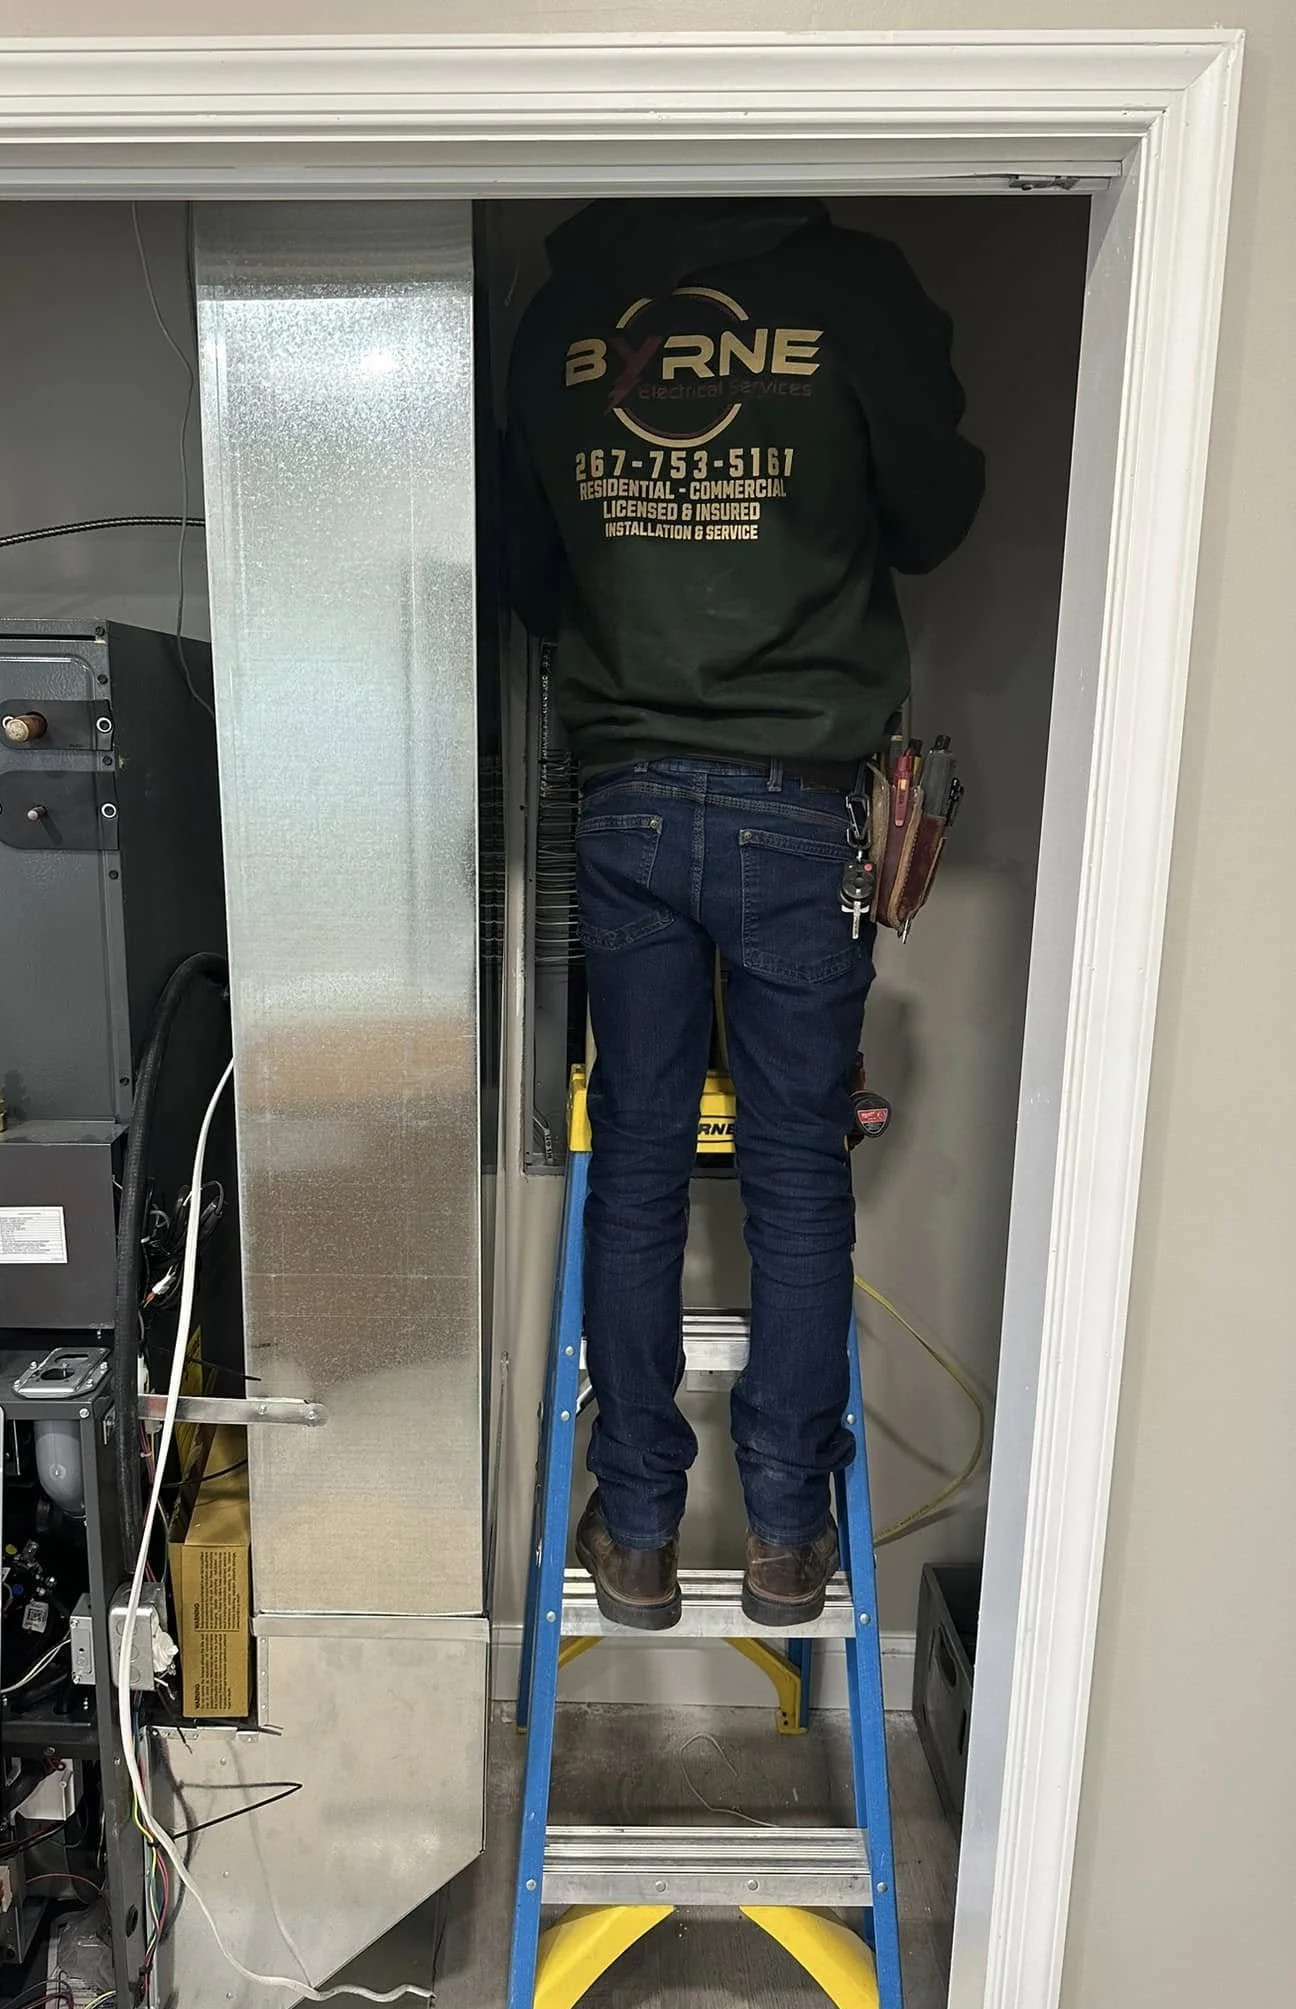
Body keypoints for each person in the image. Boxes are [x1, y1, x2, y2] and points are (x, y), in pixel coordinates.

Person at [504, 198, 984, 1630]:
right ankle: (787, 1534)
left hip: (628, 793)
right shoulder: (853, 288)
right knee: (793, 1174)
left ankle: (639, 1531)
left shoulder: (560, 317)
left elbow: (532, 575)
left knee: (639, 1166)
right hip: (794, 796)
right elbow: (939, 511)